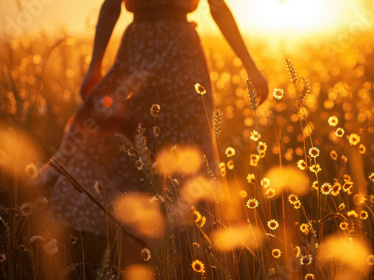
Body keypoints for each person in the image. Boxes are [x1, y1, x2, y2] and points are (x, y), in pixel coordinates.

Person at [35, 0, 268, 278]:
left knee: (185, 149)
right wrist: (250, 66)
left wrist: (251, 65)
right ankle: (140, 243)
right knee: (124, 137)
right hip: (152, 50)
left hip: (165, 52)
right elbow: (112, 5)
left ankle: (188, 256)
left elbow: (113, 6)